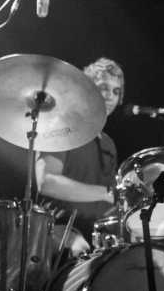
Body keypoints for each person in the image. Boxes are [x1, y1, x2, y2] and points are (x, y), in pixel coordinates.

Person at [35, 56, 124, 258]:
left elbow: (109, 204)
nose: (110, 96)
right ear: (86, 89)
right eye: (103, 87)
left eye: (116, 91)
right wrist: (105, 192)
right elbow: (47, 182)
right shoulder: (61, 126)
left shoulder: (108, 144)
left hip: (98, 234)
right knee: (80, 253)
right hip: (57, 229)